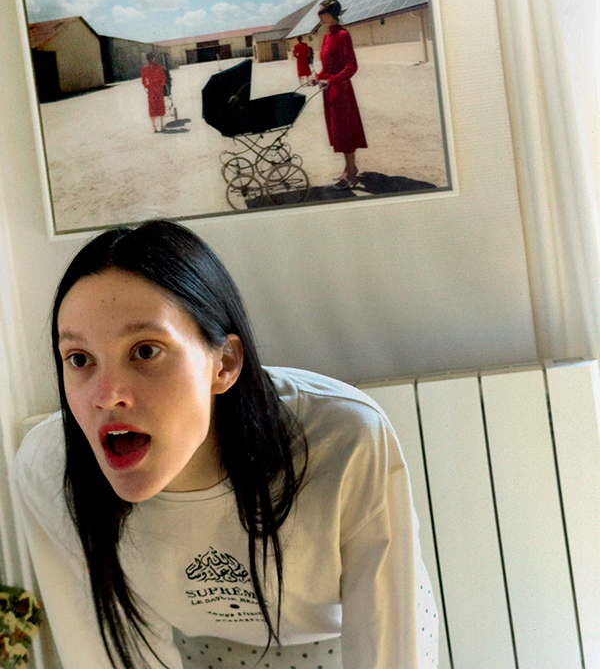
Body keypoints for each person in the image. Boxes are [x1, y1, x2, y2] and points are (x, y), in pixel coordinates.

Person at [11, 220, 438, 669]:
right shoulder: (48, 467)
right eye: (79, 359)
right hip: (202, 651)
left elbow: (391, 649)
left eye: (146, 351)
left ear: (225, 363)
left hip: (342, 639)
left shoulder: (345, 438)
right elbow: (103, 655)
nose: (106, 394)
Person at [311, 0, 367, 188]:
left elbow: (352, 65)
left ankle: (350, 174)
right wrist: (318, 77)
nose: (319, 16)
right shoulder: (327, 36)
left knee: (345, 131)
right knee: (338, 132)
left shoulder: (343, 35)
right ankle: (349, 167)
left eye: (321, 12)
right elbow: (328, 67)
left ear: (331, 13)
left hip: (341, 91)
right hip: (330, 91)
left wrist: (332, 80)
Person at [141, 53, 167, 133]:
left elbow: (143, 80)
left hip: (151, 89)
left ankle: (154, 127)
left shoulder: (145, 68)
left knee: (152, 108)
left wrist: (147, 86)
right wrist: (161, 84)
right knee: (160, 106)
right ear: (153, 58)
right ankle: (161, 125)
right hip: (158, 88)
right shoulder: (159, 67)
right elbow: (163, 78)